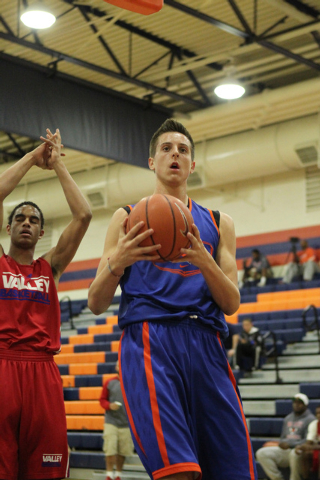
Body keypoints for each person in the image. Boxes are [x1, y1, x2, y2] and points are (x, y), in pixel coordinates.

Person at [88, 119, 257, 480]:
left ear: (192, 165)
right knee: (179, 471)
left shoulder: (218, 221)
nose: (175, 155)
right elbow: (95, 302)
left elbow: (231, 303)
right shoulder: (126, 217)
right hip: (151, 340)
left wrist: (203, 259)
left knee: (235, 471)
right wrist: (118, 262)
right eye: (166, 149)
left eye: (182, 150)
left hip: (208, 345)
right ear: (152, 161)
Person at [0, 129, 92, 480]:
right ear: (8, 228)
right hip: (3, 366)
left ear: (42, 233)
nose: (26, 222)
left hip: (42, 370)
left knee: (48, 469)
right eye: (20, 218)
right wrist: (31, 158)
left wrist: (56, 165)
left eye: (34, 220)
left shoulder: (49, 268)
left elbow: (83, 216)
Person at [256, 394, 316, 480]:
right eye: (295, 402)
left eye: (299, 403)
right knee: (261, 453)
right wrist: (282, 443)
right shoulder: (288, 418)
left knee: (294, 453)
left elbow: (308, 441)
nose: (296, 405)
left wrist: (291, 445)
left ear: (305, 405)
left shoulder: (311, 419)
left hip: (299, 450)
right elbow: (283, 437)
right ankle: (277, 478)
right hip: (285, 450)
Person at [100, 359, 134, 480]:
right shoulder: (109, 382)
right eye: (118, 365)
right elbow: (102, 400)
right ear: (116, 368)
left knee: (122, 451)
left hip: (126, 423)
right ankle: (109, 475)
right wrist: (109, 405)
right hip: (111, 422)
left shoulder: (132, 382)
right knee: (110, 450)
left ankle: (118, 474)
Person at [295, 404, 320, 480]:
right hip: (317, 447)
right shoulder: (314, 424)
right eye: (317, 413)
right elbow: (308, 442)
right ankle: (306, 478)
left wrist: (310, 447)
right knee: (305, 453)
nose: (319, 415)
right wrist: (300, 447)